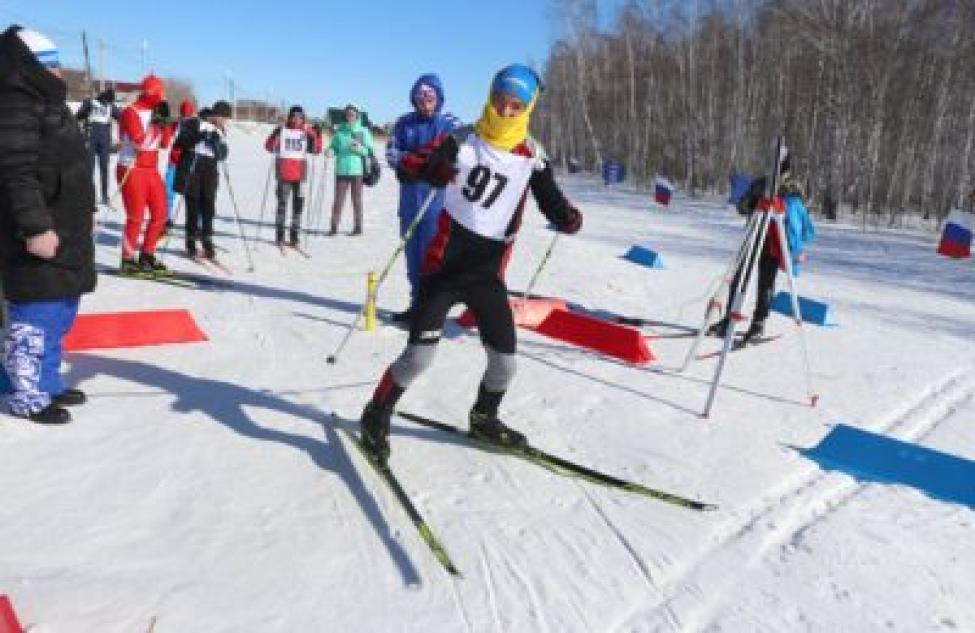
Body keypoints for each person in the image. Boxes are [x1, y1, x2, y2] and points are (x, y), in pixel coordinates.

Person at [356, 64, 583, 464]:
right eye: (500, 102)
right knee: (419, 359)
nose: (507, 112)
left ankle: (484, 417)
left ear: (528, 108)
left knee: (506, 364)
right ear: (490, 98)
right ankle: (376, 415)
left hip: (487, 278)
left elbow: (553, 202)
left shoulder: (531, 157)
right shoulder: (461, 140)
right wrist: (432, 168)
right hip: (443, 273)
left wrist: (569, 219)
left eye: (516, 106)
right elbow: (410, 165)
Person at [0, 26, 97, 425]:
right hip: (39, 232)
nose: (59, 72)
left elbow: (69, 165)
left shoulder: (47, 101)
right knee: (35, 316)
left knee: (60, 310)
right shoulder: (16, 104)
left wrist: (85, 208)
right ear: (29, 66)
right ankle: (26, 394)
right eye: (50, 64)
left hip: (66, 224)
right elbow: (15, 173)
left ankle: (46, 380)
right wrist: (35, 228)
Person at [709, 148, 815, 344]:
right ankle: (729, 319)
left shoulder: (793, 186)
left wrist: (783, 204)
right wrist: (750, 202)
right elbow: (742, 206)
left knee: (765, 283)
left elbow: (800, 216)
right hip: (754, 235)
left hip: (774, 241)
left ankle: (758, 323)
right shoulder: (760, 183)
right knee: (740, 277)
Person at [386, 74, 462, 323]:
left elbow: (459, 151)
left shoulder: (449, 122)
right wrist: (412, 165)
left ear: (438, 97)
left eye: (429, 97)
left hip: (436, 203)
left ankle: (431, 310)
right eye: (420, 97)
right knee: (412, 256)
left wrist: (438, 165)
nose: (425, 102)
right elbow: (392, 152)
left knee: (433, 258)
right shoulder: (404, 123)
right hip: (409, 200)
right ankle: (416, 304)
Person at [117, 74, 173, 275]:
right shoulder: (130, 112)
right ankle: (127, 260)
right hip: (131, 168)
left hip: (151, 169)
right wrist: (155, 124)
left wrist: (165, 123)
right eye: (160, 93)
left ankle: (147, 255)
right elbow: (140, 143)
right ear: (151, 93)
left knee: (160, 214)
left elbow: (165, 144)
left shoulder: (154, 110)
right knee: (136, 217)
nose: (162, 97)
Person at [173, 101, 231, 259]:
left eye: (225, 119)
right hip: (192, 166)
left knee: (208, 207)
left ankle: (207, 241)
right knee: (192, 207)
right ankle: (191, 242)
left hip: (210, 170)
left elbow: (223, 155)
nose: (224, 122)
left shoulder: (220, 130)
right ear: (216, 115)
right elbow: (180, 142)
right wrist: (200, 136)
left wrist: (217, 146)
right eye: (223, 118)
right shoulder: (194, 122)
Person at [264, 105, 323, 246]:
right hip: (284, 173)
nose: (297, 119)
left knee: (298, 207)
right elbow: (269, 147)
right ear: (290, 117)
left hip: (300, 175)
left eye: (300, 117)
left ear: (303, 118)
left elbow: (316, 150)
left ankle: (294, 236)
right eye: (294, 116)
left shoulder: (306, 132)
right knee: (282, 205)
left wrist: (317, 135)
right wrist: (275, 135)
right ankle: (279, 235)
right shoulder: (283, 130)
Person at [329, 103, 374, 235]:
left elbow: (370, 150)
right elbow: (335, 147)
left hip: (357, 171)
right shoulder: (340, 131)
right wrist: (330, 151)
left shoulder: (363, 131)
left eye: (353, 114)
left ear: (357, 116)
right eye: (348, 114)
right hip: (341, 170)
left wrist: (360, 149)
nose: (350, 116)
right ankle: (333, 226)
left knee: (357, 201)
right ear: (345, 115)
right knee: (338, 200)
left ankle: (358, 227)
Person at [75, 87, 120, 206]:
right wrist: (84, 112)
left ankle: (105, 196)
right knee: (89, 168)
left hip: (104, 139)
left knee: (104, 168)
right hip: (91, 137)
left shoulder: (111, 105)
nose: (106, 103)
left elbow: (122, 117)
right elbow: (78, 116)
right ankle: (88, 196)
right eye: (106, 100)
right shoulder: (90, 103)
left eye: (109, 101)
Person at [164, 99, 197, 227]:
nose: (185, 119)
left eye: (188, 116)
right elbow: (166, 141)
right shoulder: (173, 125)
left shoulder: (196, 126)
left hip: (188, 163)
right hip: (173, 162)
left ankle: (194, 223)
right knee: (168, 191)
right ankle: (167, 218)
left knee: (191, 194)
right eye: (183, 116)